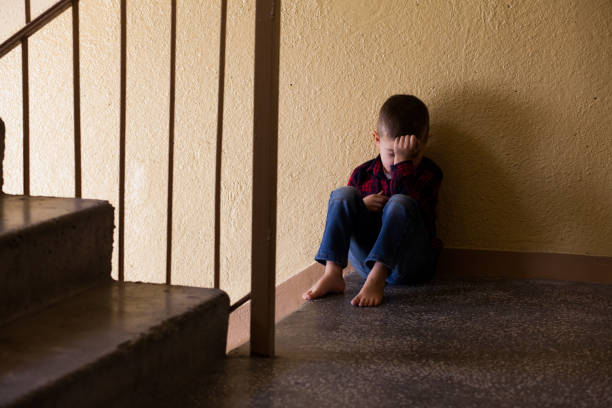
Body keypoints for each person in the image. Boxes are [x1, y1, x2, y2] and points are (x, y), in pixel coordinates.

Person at [302, 94, 443, 307]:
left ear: (425, 142)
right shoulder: (362, 174)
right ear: (377, 140)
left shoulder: (429, 173)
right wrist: (362, 208)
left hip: (410, 265)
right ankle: (332, 273)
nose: (398, 161)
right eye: (392, 154)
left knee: (400, 203)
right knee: (344, 195)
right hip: (365, 263)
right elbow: (347, 218)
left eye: (410, 156)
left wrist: (403, 166)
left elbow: (415, 214)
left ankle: (378, 277)